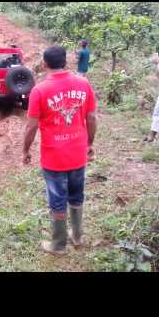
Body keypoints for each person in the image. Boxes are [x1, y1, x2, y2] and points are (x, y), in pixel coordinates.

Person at [23, 46, 97, 255]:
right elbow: (91, 118)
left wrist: (25, 151)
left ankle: (58, 244)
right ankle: (78, 236)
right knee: (76, 195)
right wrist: (89, 143)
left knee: (57, 200)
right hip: (77, 152)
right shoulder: (83, 84)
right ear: (66, 62)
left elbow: (31, 126)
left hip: (54, 157)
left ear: (45, 64)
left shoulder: (39, 90)